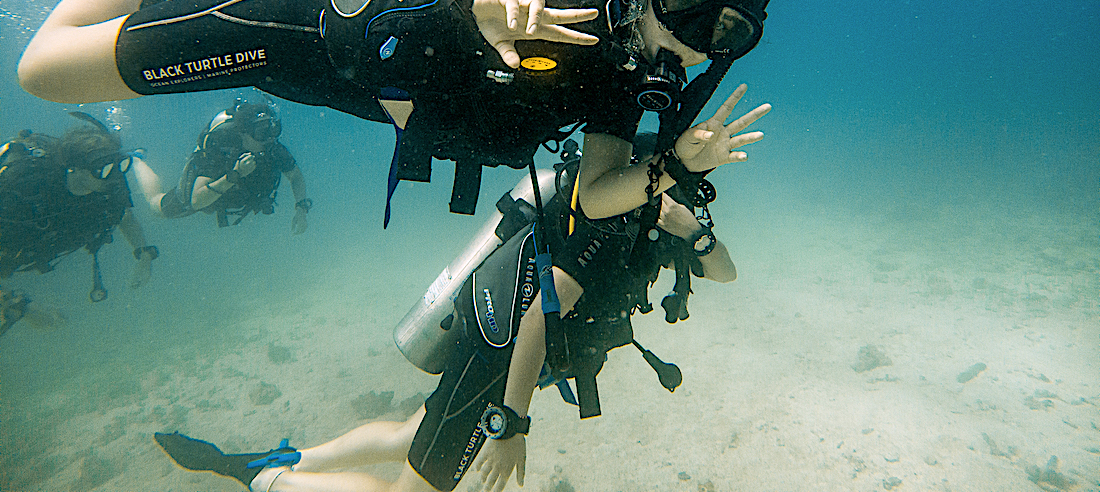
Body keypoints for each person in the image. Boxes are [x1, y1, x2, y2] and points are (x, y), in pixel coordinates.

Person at [17, 0, 852, 224]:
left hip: (355, 89)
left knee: (212, 3)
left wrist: (675, 165)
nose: (692, 40)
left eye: (727, 32)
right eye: (687, 5)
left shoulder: (632, 78)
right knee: (43, 74)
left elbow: (593, 192)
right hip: (314, 17)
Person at [154, 135, 743, 492]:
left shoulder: (667, 219)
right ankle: (267, 478)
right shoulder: (615, 226)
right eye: (686, 176)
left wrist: (697, 238)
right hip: (499, 351)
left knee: (415, 431)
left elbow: (726, 273)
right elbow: (540, 315)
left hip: (505, 349)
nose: (690, 193)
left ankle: (288, 459)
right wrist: (512, 424)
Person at [0, 114, 159, 302]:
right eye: (103, 169)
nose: (115, 176)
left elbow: (124, 215)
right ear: (75, 168)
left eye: (120, 165)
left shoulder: (107, 184)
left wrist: (144, 255)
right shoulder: (24, 192)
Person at [153, 98, 312, 233]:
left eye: (274, 130)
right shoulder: (220, 147)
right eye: (262, 132)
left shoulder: (272, 147)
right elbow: (196, 201)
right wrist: (235, 174)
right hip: (211, 193)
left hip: (237, 196)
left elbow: (295, 176)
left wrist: (301, 208)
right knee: (157, 207)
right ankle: (137, 160)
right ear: (243, 132)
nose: (270, 138)